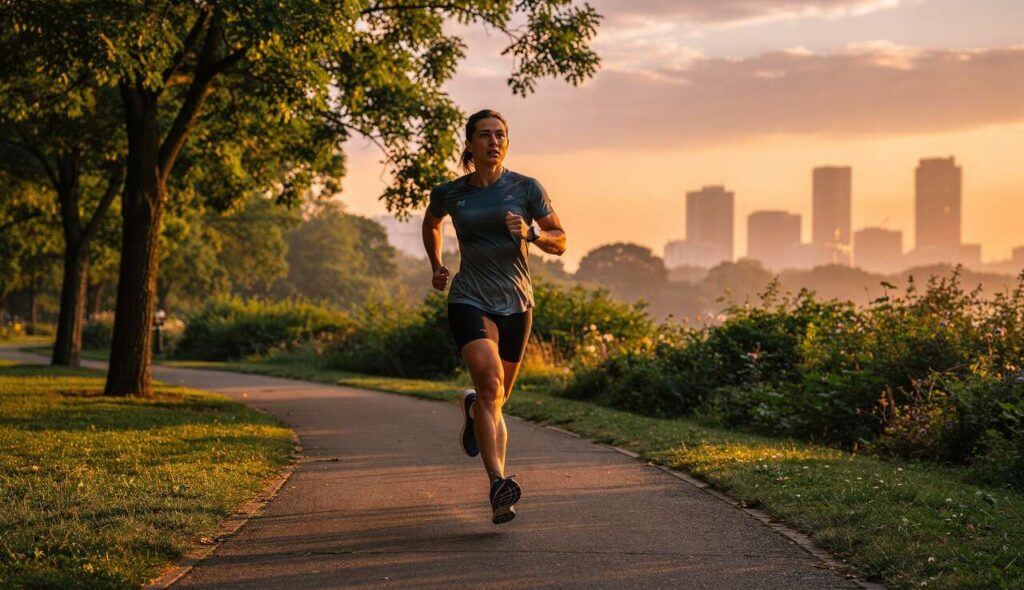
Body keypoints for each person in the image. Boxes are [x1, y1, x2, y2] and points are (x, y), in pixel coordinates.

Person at [422, 109, 566, 524]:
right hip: (469, 297)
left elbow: (560, 240)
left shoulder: (526, 188)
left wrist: (532, 234)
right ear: (469, 143)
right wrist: (436, 264)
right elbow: (432, 223)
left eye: (500, 134)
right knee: (490, 386)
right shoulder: (451, 192)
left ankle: (471, 412)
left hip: (517, 303)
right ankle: (498, 483)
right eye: (484, 135)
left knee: (497, 398)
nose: (493, 141)